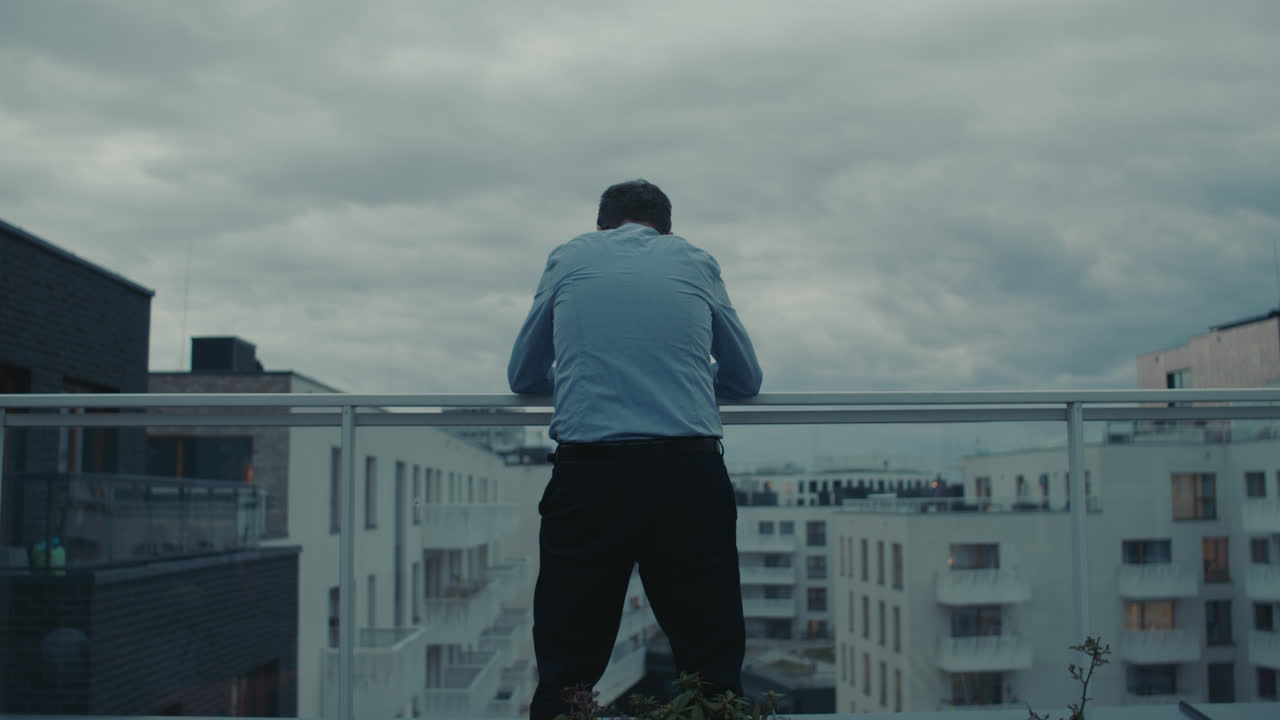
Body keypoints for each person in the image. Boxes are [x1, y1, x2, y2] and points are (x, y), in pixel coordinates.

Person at [508, 180, 763, 720]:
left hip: (590, 473)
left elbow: (523, 373)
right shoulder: (694, 261)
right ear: (666, 230)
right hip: (687, 472)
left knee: (567, 654)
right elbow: (745, 379)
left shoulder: (570, 257)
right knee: (710, 652)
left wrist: (589, 369)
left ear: (601, 225)